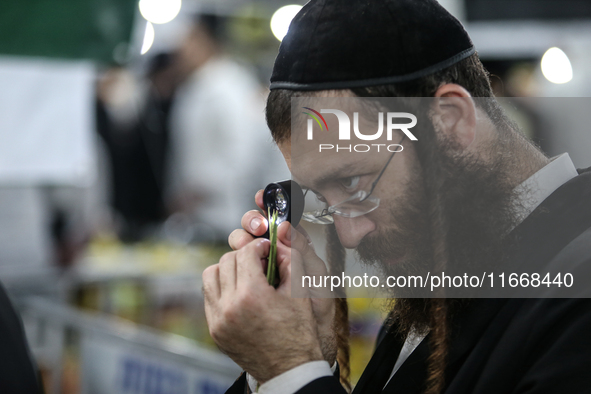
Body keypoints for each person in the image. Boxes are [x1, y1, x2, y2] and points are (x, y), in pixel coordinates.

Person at [202, 1, 591, 393]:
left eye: (354, 182)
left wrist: (289, 369)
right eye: (324, 198)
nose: (349, 235)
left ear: (451, 122)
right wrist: (303, 347)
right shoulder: (452, 265)